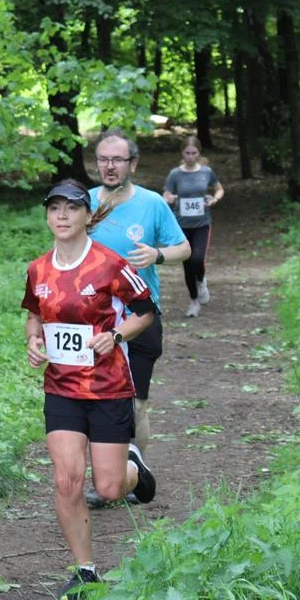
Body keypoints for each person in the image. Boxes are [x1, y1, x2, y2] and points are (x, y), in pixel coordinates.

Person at [23, 179, 158, 600]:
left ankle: (134, 469)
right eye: (54, 208)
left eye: (71, 208)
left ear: (87, 215)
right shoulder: (38, 269)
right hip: (61, 387)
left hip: (108, 387)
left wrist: (116, 335)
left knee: (110, 488)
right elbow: (34, 314)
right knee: (67, 480)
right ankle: (86, 570)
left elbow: (145, 312)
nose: (62, 215)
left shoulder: (109, 264)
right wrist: (34, 340)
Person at [84, 128, 191, 507]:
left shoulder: (152, 204)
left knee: (135, 402)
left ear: (133, 163)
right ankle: (106, 477)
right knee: (93, 402)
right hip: (91, 319)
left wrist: (157, 255)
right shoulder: (84, 202)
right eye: (103, 159)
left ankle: (133, 472)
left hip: (140, 316)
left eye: (117, 159)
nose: (109, 166)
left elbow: (184, 248)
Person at [163, 136, 225, 317]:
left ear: (199, 153)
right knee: (187, 262)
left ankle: (201, 280)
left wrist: (215, 199)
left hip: (202, 223)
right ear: (182, 153)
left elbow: (219, 189)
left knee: (197, 259)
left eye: (194, 153)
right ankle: (194, 301)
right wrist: (170, 198)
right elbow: (166, 193)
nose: (190, 157)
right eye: (187, 153)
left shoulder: (206, 172)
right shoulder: (175, 174)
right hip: (181, 224)